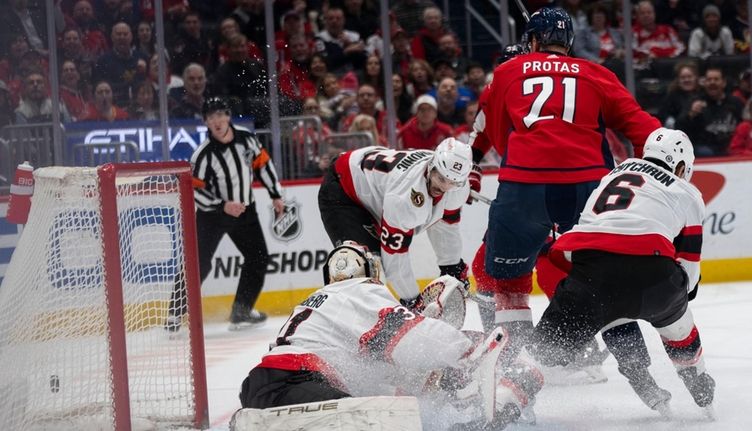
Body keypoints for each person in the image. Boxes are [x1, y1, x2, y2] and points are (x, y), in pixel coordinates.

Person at [478, 7, 662, 384]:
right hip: (588, 186)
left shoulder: (508, 71)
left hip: (525, 185)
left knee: (510, 286)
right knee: (604, 278)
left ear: (531, 41)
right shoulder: (598, 74)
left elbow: (497, 135)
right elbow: (646, 130)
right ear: (570, 43)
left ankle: (512, 374)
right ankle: (640, 373)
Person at [240, 241, 541, 428]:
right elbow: (411, 334)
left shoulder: (323, 305)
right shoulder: (359, 291)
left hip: (258, 387)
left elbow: (382, 370)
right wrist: (467, 351)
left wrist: (436, 381)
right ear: (368, 270)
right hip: (298, 382)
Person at [529, 128, 716, 414]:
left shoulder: (612, 174)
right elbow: (689, 275)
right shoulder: (686, 191)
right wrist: (674, 303)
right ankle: (698, 383)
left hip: (590, 271)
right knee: (677, 321)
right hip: (652, 276)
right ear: (680, 165)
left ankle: (510, 391)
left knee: (547, 350)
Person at [166, 97, 285, 332]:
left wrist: (275, 194)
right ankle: (174, 314)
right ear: (206, 123)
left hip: (245, 211)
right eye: (211, 117)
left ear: (228, 116)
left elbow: (263, 164)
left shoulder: (246, 139)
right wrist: (223, 205)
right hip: (213, 215)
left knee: (258, 257)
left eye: (220, 115)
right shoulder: (202, 154)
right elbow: (194, 190)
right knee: (199, 263)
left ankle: (241, 311)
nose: (217, 121)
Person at [317, 138, 472, 307]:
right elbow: (395, 260)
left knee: (372, 268)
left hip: (376, 184)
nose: (444, 188)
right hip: (343, 191)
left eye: (453, 183)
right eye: (441, 179)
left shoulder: (458, 187)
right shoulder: (404, 198)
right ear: (431, 166)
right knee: (366, 266)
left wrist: (452, 265)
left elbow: (444, 226)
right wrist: (413, 301)